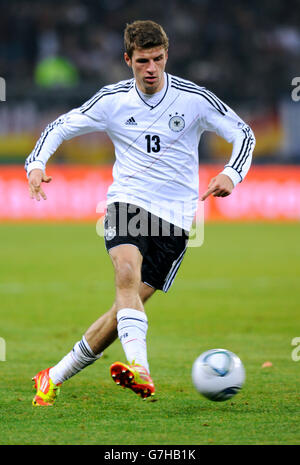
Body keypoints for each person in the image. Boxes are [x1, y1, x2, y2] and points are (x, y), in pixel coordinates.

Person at [25, 20, 255, 406]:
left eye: (159, 59)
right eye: (143, 61)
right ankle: (141, 370)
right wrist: (36, 163)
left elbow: (243, 133)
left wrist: (232, 173)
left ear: (167, 56)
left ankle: (53, 375)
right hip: (128, 203)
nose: (152, 69)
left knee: (123, 309)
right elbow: (61, 126)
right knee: (126, 275)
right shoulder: (112, 100)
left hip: (177, 219)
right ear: (127, 59)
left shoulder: (193, 98)